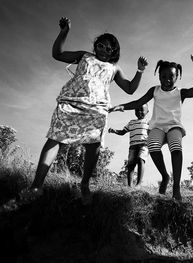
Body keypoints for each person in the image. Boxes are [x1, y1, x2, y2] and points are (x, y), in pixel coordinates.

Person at [27, 17, 148, 204]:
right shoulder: (84, 56)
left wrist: (139, 71)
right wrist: (64, 32)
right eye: (101, 46)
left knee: (94, 146)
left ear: (113, 52)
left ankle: (84, 185)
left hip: (96, 109)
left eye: (109, 48)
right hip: (71, 103)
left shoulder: (114, 69)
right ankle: (36, 185)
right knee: (55, 138)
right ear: (95, 46)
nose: (104, 50)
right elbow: (57, 54)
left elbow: (130, 88)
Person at [109, 48, 193, 201]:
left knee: (176, 147)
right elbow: (139, 102)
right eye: (163, 76)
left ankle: (176, 187)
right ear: (159, 76)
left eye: (171, 77)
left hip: (174, 126)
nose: (167, 80)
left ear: (177, 77)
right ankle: (165, 176)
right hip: (158, 127)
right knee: (152, 146)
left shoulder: (181, 92)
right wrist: (122, 106)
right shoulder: (154, 90)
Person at [108, 104, 149, 187]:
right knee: (131, 165)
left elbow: (153, 133)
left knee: (141, 160)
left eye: (142, 110)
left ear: (147, 111)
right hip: (133, 146)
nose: (139, 112)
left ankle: (138, 184)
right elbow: (123, 132)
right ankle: (130, 185)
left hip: (144, 145)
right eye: (137, 110)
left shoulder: (149, 122)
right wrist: (114, 131)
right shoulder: (131, 122)